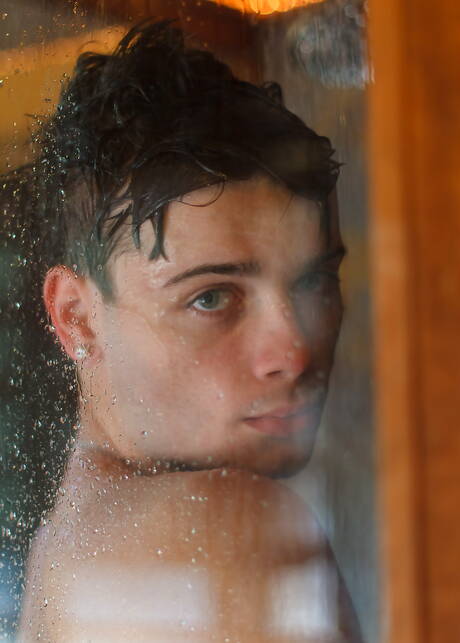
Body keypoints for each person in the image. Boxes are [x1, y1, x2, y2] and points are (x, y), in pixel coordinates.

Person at [17, 19, 362, 642]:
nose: (294, 350)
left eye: (314, 282)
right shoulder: (231, 531)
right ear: (76, 316)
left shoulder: (70, 539)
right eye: (211, 297)